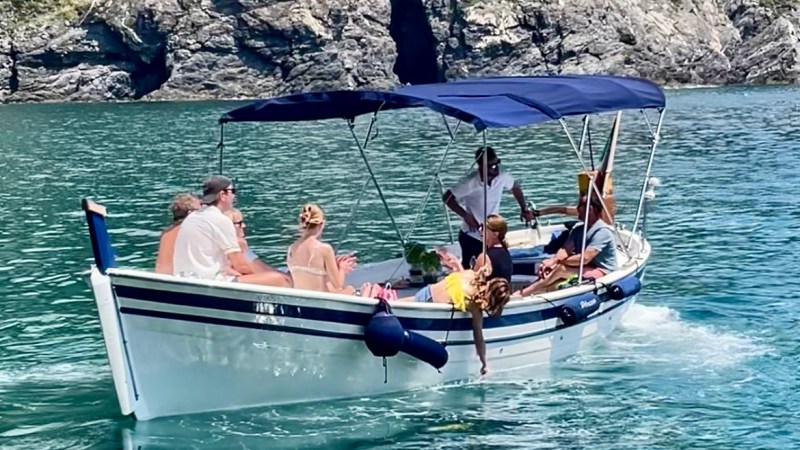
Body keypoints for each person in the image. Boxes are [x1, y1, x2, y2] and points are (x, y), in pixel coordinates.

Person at [386, 249, 511, 376]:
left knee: (392, 307)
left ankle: (379, 301)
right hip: (430, 310)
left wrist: (456, 263)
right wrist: (484, 364)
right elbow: (478, 338)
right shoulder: (475, 305)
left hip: (426, 292)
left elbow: (459, 275)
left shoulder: (470, 275)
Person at [172, 175, 291, 287]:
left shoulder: (192, 217)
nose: (234, 196)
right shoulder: (220, 220)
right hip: (211, 282)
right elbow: (241, 266)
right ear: (223, 195)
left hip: (186, 278)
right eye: (232, 191)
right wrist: (259, 277)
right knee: (283, 279)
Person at [443, 146, 534, 269]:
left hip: (492, 233)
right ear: (481, 166)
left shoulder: (502, 175)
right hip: (472, 235)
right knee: (471, 271)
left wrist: (523, 208)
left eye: (497, 163)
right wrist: (465, 215)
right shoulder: (470, 182)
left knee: (500, 265)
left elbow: (515, 187)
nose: (496, 168)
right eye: (491, 166)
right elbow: (447, 198)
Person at [515, 195, 618, 296]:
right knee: (551, 267)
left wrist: (559, 262)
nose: (577, 209)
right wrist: (553, 261)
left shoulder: (602, 232)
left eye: (580, 205)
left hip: (603, 270)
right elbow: (565, 250)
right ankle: (537, 292)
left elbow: (585, 258)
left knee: (561, 269)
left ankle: (524, 293)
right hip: (586, 267)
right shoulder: (578, 229)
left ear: (590, 209)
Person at [286, 203, 357, 294]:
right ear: (322, 224)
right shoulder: (324, 249)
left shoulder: (291, 249)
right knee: (350, 289)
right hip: (321, 300)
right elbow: (338, 285)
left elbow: (308, 277)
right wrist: (342, 269)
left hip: (301, 300)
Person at [155, 193, 200, 274]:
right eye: (199, 210)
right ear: (191, 213)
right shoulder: (190, 231)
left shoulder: (166, 233)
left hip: (162, 278)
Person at [472, 214, 512, 283]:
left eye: (484, 228)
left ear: (495, 234)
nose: (480, 229)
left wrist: (456, 266)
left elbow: (472, 281)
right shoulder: (505, 251)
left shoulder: (484, 257)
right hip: (504, 292)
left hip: (489, 293)